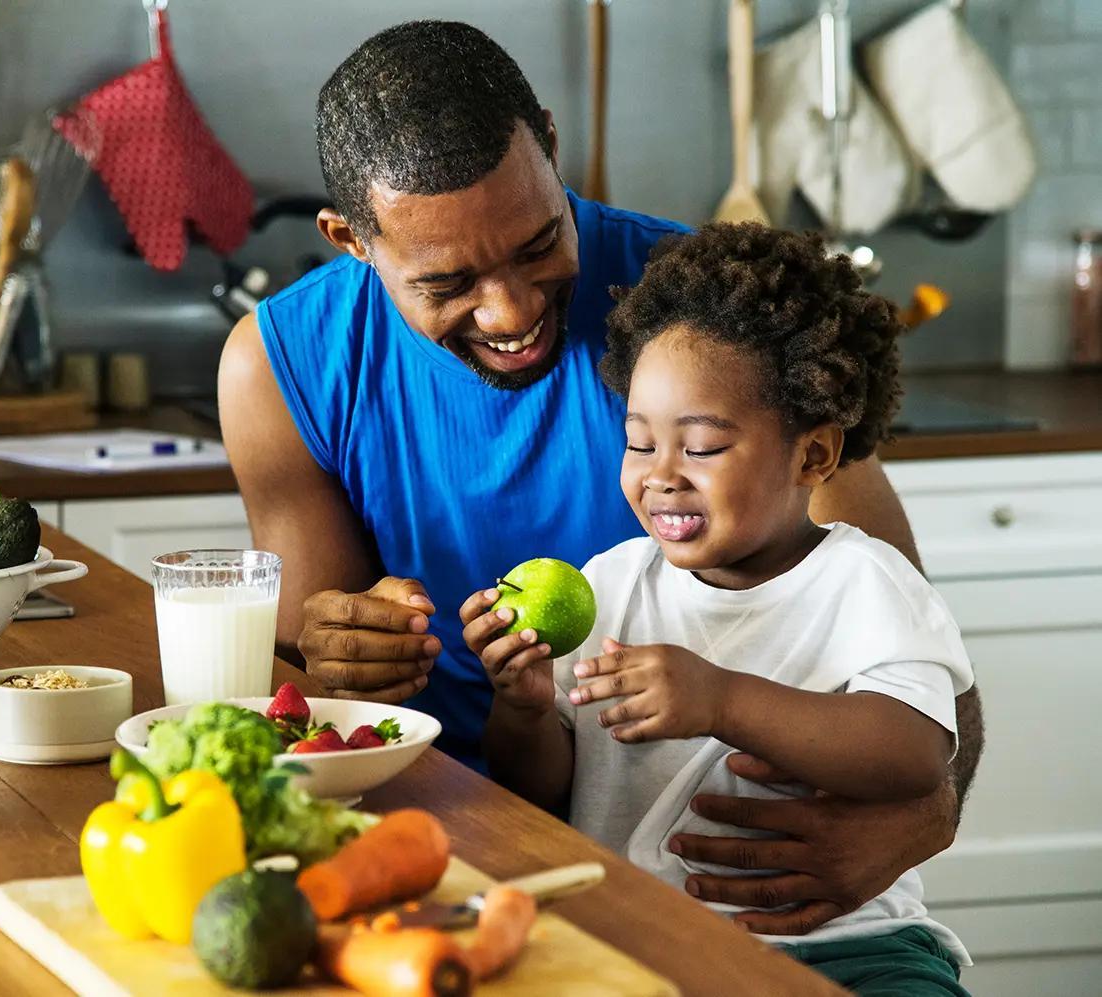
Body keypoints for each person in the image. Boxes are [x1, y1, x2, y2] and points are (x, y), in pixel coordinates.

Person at [218, 19, 985, 937]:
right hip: (424, 849)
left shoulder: (704, 322)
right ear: (352, 239)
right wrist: (335, 650)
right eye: (448, 281)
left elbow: (922, 659)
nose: (511, 310)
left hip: (728, 889)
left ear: (549, 141)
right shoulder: (281, 366)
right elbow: (313, 700)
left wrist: (921, 821)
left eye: (540, 243)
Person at [465, 223, 975, 994]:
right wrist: (526, 709)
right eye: (640, 443)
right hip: (640, 939)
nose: (661, 477)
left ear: (813, 455)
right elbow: (542, 789)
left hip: (851, 945)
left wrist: (723, 698)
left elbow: (914, 754)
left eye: (699, 447)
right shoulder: (610, 584)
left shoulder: (866, 583)